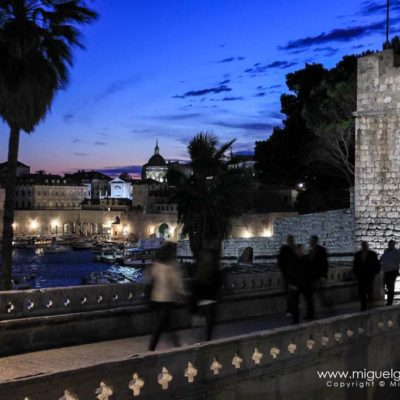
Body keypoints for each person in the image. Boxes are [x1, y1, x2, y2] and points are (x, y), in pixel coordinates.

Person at [147, 242, 187, 351]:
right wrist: (184, 294)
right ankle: (152, 347)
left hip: (156, 298)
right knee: (162, 325)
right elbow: (177, 283)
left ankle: (175, 343)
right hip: (167, 298)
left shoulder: (157, 264)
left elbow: (151, 279)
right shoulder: (173, 266)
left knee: (166, 323)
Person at [190, 248, 222, 341]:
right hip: (210, 304)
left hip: (201, 304)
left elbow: (194, 289)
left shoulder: (198, 271)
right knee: (208, 333)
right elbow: (217, 286)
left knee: (199, 333)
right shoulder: (214, 271)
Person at [287, 244, 316, 324]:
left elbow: (310, 271)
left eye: (300, 250)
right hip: (296, 284)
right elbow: (291, 272)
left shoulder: (305, 260)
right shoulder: (294, 260)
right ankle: (295, 319)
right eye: (298, 250)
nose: (299, 251)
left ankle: (310, 315)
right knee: (295, 303)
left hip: (305, 284)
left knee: (308, 300)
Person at [353, 241, 380, 311]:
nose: (364, 246)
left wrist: (374, 273)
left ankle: (367, 304)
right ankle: (364, 306)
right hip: (361, 276)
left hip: (370, 276)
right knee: (362, 291)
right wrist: (356, 273)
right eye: (363, 245)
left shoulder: (373, 254)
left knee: (366, 289)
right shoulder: (358, 254)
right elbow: (355, 265)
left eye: (365, 245)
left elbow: (377, 264)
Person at [308, 235, 330, 307]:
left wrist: (323, 275)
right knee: (314, 293)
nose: (310, 242)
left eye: (311, 241)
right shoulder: (311, 251)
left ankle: (328, 306)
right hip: (313, 277)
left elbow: (324, 264)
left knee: (322, 294)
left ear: (315, 241)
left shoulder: (321, 250)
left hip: (320, 276)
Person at [278, 235, 297, 315]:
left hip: (293, 275)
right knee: (290, 293)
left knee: (293, 293)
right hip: (288, 275)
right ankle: (290, 309)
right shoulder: (284, 249)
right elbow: (280, 262)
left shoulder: (294, 249)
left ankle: (292, 310)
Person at [380, 240, 400, 306]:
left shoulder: (396, 252)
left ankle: (389, 302)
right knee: (388, 286)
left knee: (390, 287)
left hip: (392, 272)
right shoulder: (386, 251)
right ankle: (388, 300)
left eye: (391, 244)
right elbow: (382, 259)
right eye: (389, 244)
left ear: (394, 245)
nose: (390, 245)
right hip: (386, 271)